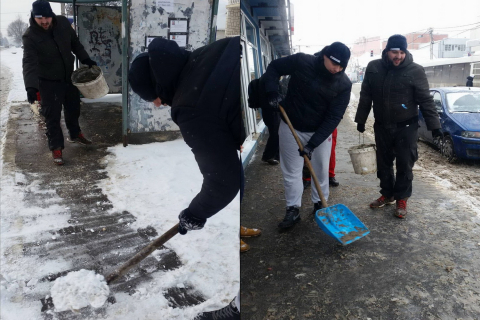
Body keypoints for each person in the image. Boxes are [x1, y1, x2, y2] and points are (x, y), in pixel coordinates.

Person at [129, 36, 241, 320]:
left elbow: (223, 181)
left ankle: (241, 309)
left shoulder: (190, 107)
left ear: (158, 87)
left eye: (152, 98)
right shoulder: (207, 53)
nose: (157, 105)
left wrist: (195, 213)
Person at [262, 42, 352, 229]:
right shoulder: (302, 61)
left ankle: (320, 204)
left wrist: (313, 144)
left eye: (342, 66)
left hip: (319, 131)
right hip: (290, 125)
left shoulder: (343, 84)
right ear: (324, 55)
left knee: (320, 170)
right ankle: (293, 209)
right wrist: (272, 91)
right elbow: (274, 67)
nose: (337, 69)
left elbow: (334, 116)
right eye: (334, 63)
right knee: (291, 172)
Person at [355, 34, 442, 219]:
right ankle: (388, 194)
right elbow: (365, 96)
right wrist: (361, 120)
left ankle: (402, 198)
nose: (399, 56)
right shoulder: (374, 68)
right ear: (387, 51)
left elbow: (426, 100)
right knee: (383, 163)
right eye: (395, 52)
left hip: (407, 126)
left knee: (405, 163)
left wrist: (434, 125)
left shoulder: (415, 71)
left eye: (402, 52)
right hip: (382, 126)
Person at [22, 0, 97, 165]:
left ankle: (75, 133)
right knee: (52, 116)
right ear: (34, 17)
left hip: (68, 77)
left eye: (47, 17)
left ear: (52, 15)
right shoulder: (30, 36)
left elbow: (75, 44)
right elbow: (29, 63)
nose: (44, 22)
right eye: (40, 18)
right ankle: (56, 147)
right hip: (48, 82)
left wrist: (86, 59)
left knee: (73, 108)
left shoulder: (62, 23)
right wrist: (31, 86)